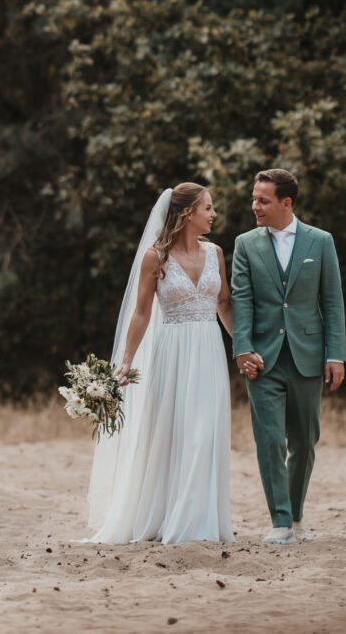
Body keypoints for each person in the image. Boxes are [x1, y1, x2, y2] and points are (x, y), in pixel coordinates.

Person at [85, 183, 240, 544]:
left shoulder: (215, 252)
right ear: (187, 213)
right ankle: (170, 517)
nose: (213, 214)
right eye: (208, 208)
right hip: (171, 353)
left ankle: (198, 520)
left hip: (209, 350)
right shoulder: (156, 257)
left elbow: (224, 304)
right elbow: (141, 313)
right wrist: (125, 360)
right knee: (173, 434)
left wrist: (242, 347)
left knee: (206, 433)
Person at [231, 169, 346, 545]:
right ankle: (279, 521)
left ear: (286, 203)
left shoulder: (321, 241)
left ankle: (296, 514)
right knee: (269, 441)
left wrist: (336, 355)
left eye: (263, 200)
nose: (255, 206)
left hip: (308, 355)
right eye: (254, 198)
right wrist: (242, 348)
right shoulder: (246, 244)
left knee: (304, 441)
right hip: (262, 358)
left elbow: (332, 302)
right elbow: (241, 300)